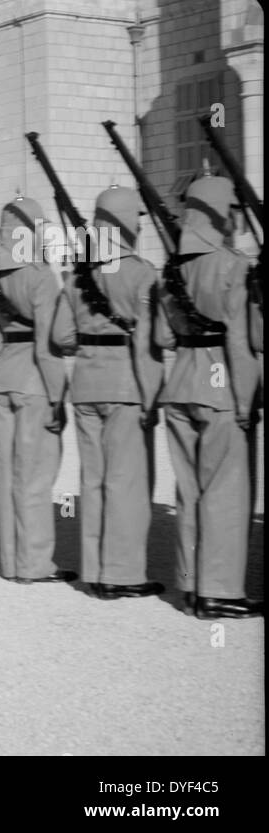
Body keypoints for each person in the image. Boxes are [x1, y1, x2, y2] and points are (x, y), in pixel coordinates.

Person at [153, 175, 262, 619]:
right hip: (220, 386)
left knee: (191, 491)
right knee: (226, 492)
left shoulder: (171, 269)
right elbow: (240, 339)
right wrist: (245, 399)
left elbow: (163, 335)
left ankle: (193, 585)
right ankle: (220, 591)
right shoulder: (232, 266)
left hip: (180, 385)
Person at [57, 187, 164, 599]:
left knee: (95, 479)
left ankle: (95, 571)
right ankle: (121, 574)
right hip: (125, 387)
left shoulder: (79, 275)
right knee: (126, 482)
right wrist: (151, 396)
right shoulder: (142, 273)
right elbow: (149, 343)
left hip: (85, 386)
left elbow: (63, 335)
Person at [0, 197, 77, 583]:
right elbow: (47, 346)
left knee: (8, 475)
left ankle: (10, 561)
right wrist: (59, 396)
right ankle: (35, 564)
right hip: (34, 382)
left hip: (3, 378)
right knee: (36, 477)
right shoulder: (41, 275)